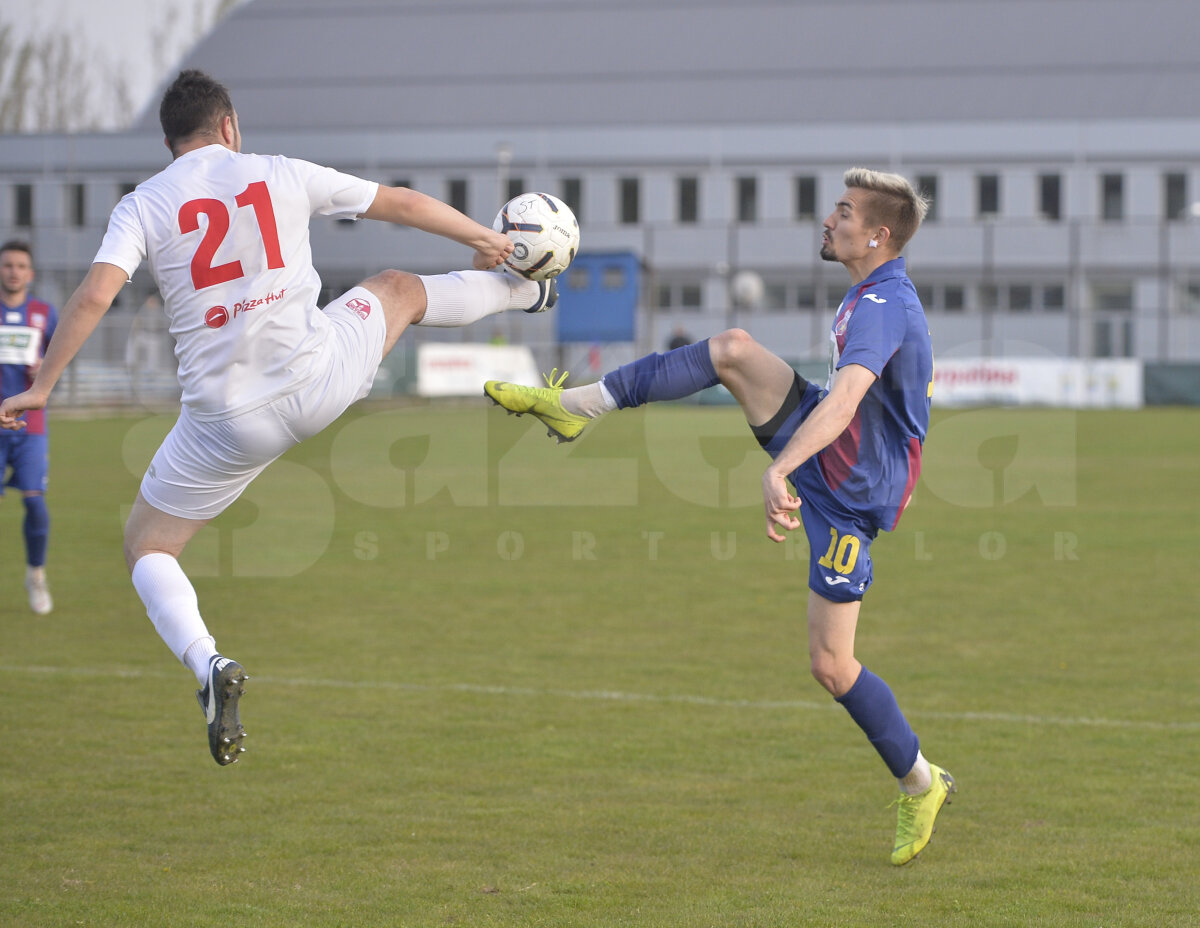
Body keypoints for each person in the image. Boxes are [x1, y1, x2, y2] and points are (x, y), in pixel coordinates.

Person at [0, 70, 556, 766]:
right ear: (230, 127)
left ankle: (207, 664)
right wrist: (492, 241)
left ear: (170, 142)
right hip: (316, 380)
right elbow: (403, 203)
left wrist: (43, 385)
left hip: (222, 423)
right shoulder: (280, 172)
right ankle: (524, 295)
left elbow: (92, 297)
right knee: (398, 290)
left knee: (148, 547)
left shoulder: (142, 205)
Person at [484, 168, 953, 866]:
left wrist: (779, 467)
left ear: (877, 235)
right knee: (731, 348)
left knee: (831, 664)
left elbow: (849, 400)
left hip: (851, 496)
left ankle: (921, 783)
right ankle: (574, 408)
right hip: (835, 458)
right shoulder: (870, 292)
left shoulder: (885, 303)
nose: (830, 219)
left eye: (845, 211)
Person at [0, 240, 57, 615]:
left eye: (21, 266)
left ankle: (36, 575)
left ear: (30, 273)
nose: (14, 271)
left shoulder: (44, 313)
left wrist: (45, 373)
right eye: (8, 265)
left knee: (35, 504)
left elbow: (57, 362)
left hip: (29, 425)